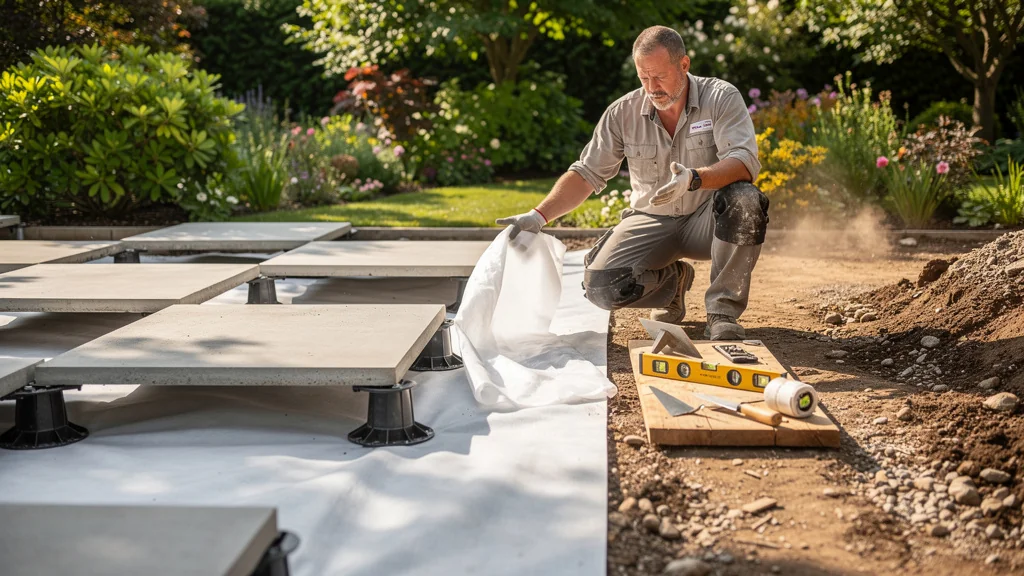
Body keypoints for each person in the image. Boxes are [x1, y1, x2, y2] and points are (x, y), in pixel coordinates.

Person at [496, 25, 768, 341]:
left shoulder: (720, 98)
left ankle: (723, 313)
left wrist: (694, 179)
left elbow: (745, 162)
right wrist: (538, 216)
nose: (652, 88)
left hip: (707, 223)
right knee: (601, 286)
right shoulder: (622, 112)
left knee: (746, 200)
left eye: (660, 77)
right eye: (643, 78)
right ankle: (672, 284)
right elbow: (587, 173)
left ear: (683, 65)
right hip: (652, 220)